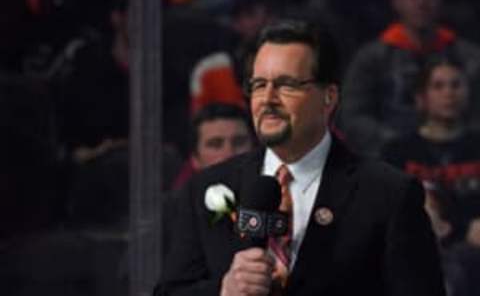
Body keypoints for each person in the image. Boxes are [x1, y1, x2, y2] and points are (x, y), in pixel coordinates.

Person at [158, 20, 445, 296]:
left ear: (329, 97)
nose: (268, 99)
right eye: (259, 85)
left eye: (287, 85)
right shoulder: (207, 188)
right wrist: (223, 290)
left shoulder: (388, 194)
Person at [336, 0, 480, 158]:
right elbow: (354, 117)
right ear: (395, 2)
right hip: (387, 159)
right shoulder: (371, 59)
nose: (422, 3)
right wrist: (399, 145)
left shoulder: (469, 58)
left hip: (461, 158)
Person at [382, 57, 480, 248]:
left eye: (456, 85)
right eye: (438, 86)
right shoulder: (397, 152)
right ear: (421, 98)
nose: (449, 93)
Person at [172, 102, 255, 189]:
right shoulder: (179, 199)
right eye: (215, 144)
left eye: (239, 142)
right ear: (195, 159)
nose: (229, 154)